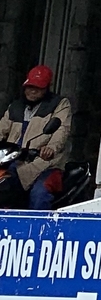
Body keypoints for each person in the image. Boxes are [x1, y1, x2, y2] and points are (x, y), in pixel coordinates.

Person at [0, 67, 73, 211]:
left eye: (38, 88)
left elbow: (61, 129)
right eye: (30, 87)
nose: (33, 91)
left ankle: (38, 225)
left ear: (47, 88)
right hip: (14, 160)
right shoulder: (15, 107)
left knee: (39, 193)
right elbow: (2, 127)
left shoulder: (60, 104)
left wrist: (51, 148)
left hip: (45, 164)